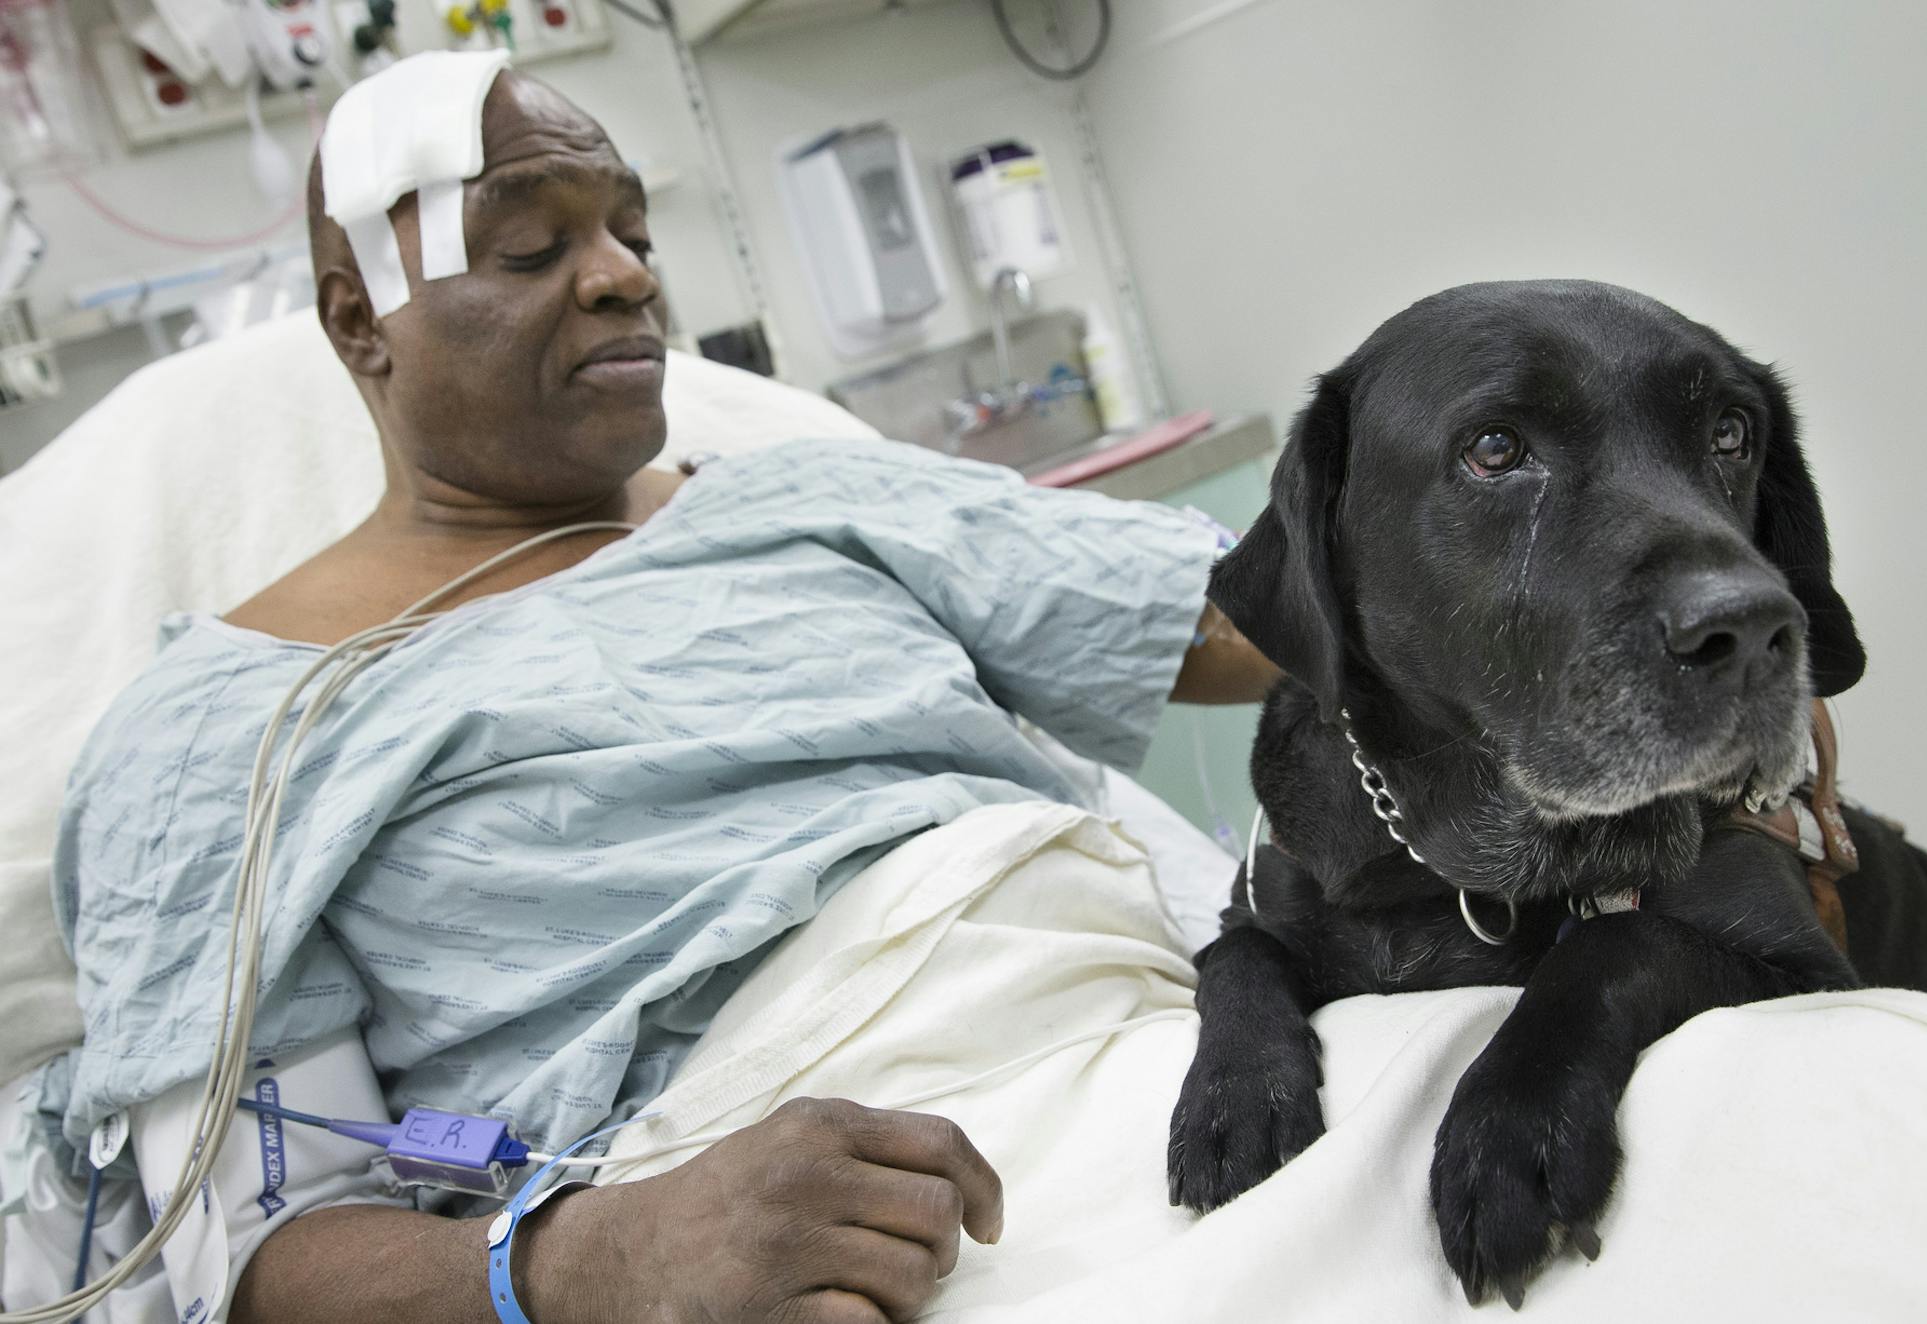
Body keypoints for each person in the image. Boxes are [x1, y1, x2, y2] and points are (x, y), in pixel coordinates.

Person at [47, 65, 1274, 1324]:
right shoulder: (223, 735)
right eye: (531, 245)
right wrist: (589, 1259)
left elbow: (1247, 619)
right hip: (796, 1212)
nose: (626, 274)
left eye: (632, 232)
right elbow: (251, 1258)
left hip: (1195, 1036)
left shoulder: (800, 497)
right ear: (362, 320)